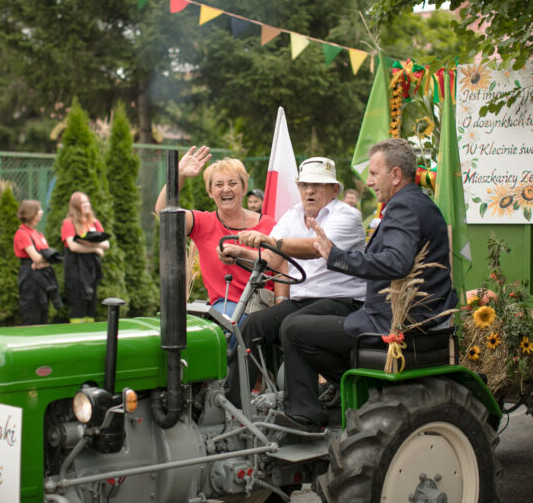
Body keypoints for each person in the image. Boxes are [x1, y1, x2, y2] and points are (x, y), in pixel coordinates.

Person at [279, 138, 458, 430]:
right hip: (392, 313)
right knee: (305, 321)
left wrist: (335, 256)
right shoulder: (415, 201)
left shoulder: (404, 207)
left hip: (396, 320)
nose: (370, 181)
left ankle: (306, 415)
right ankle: (343, 396)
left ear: (395, 175)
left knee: (293, 328)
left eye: (374, 173)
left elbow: (396, 262)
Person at [220, 156, 367, 411]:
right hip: (303, 300)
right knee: (252, 323)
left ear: (334, 189)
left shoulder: (347, 216)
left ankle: (302, 414)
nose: (309, 191)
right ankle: (232, 407)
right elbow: (272, 258)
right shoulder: (292, 215)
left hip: (343, 302)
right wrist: (239, 252)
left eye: (317, 185)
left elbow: (317, 248)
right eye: (305, 185)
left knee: (293, 325)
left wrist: (270, 241)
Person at [154, 146, 276, 321]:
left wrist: (281, 302)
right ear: (210, 192)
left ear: (244, 188)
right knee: (230, 321)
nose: (226, 189)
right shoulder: (203, 223)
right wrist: (179, 175)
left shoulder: (269, 225)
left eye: (232, 183)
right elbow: (164, 212)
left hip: (264, 305)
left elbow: (282, 267)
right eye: (218, 185)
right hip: (225, 305)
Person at [61, 191, 109, 323]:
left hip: (91, 267)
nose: (87, 204)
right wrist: (95, 248)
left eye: (87, 201)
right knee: (78, 302)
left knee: (91, 303)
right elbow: (73, 246)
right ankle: (77, 331)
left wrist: (90, 244)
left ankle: (89, 330)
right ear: (75, 206)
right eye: (83, 202)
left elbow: (106, 244)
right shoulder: (69, 223)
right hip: (76, 266)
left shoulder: (94, 222)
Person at [13, 200, 62, 325]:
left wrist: (44, 260)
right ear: (31, 213)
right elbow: (36, 258)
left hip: (43, 277)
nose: (42, 212)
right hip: (30, 279)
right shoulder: (22, 233)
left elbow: (47, 257)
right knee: (32, 315)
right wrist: (45, 258)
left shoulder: (38, 233)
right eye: (39, 209)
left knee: (43, 313)